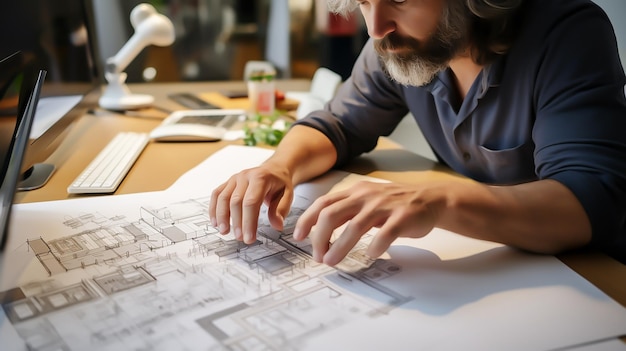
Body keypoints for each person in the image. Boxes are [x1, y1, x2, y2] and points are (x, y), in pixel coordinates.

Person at [209, 0, 626, 266]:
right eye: (363, 2)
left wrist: (437, 200)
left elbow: (590, 200)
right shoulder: (396, 44)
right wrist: (279, 167)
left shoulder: (567, 31)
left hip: (592, 276)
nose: (376, 27)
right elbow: (336, 125)